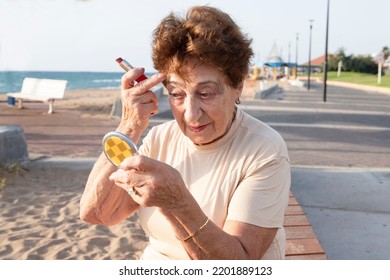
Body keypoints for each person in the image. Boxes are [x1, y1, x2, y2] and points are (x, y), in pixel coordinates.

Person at [80, 6, 290, 260]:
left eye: (206, 93)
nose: (190, 114)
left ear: (238, 87)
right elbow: (98, 213)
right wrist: (129, 126)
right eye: (176, 94)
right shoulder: (160, 139)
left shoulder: (264, 150)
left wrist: (178, 204)